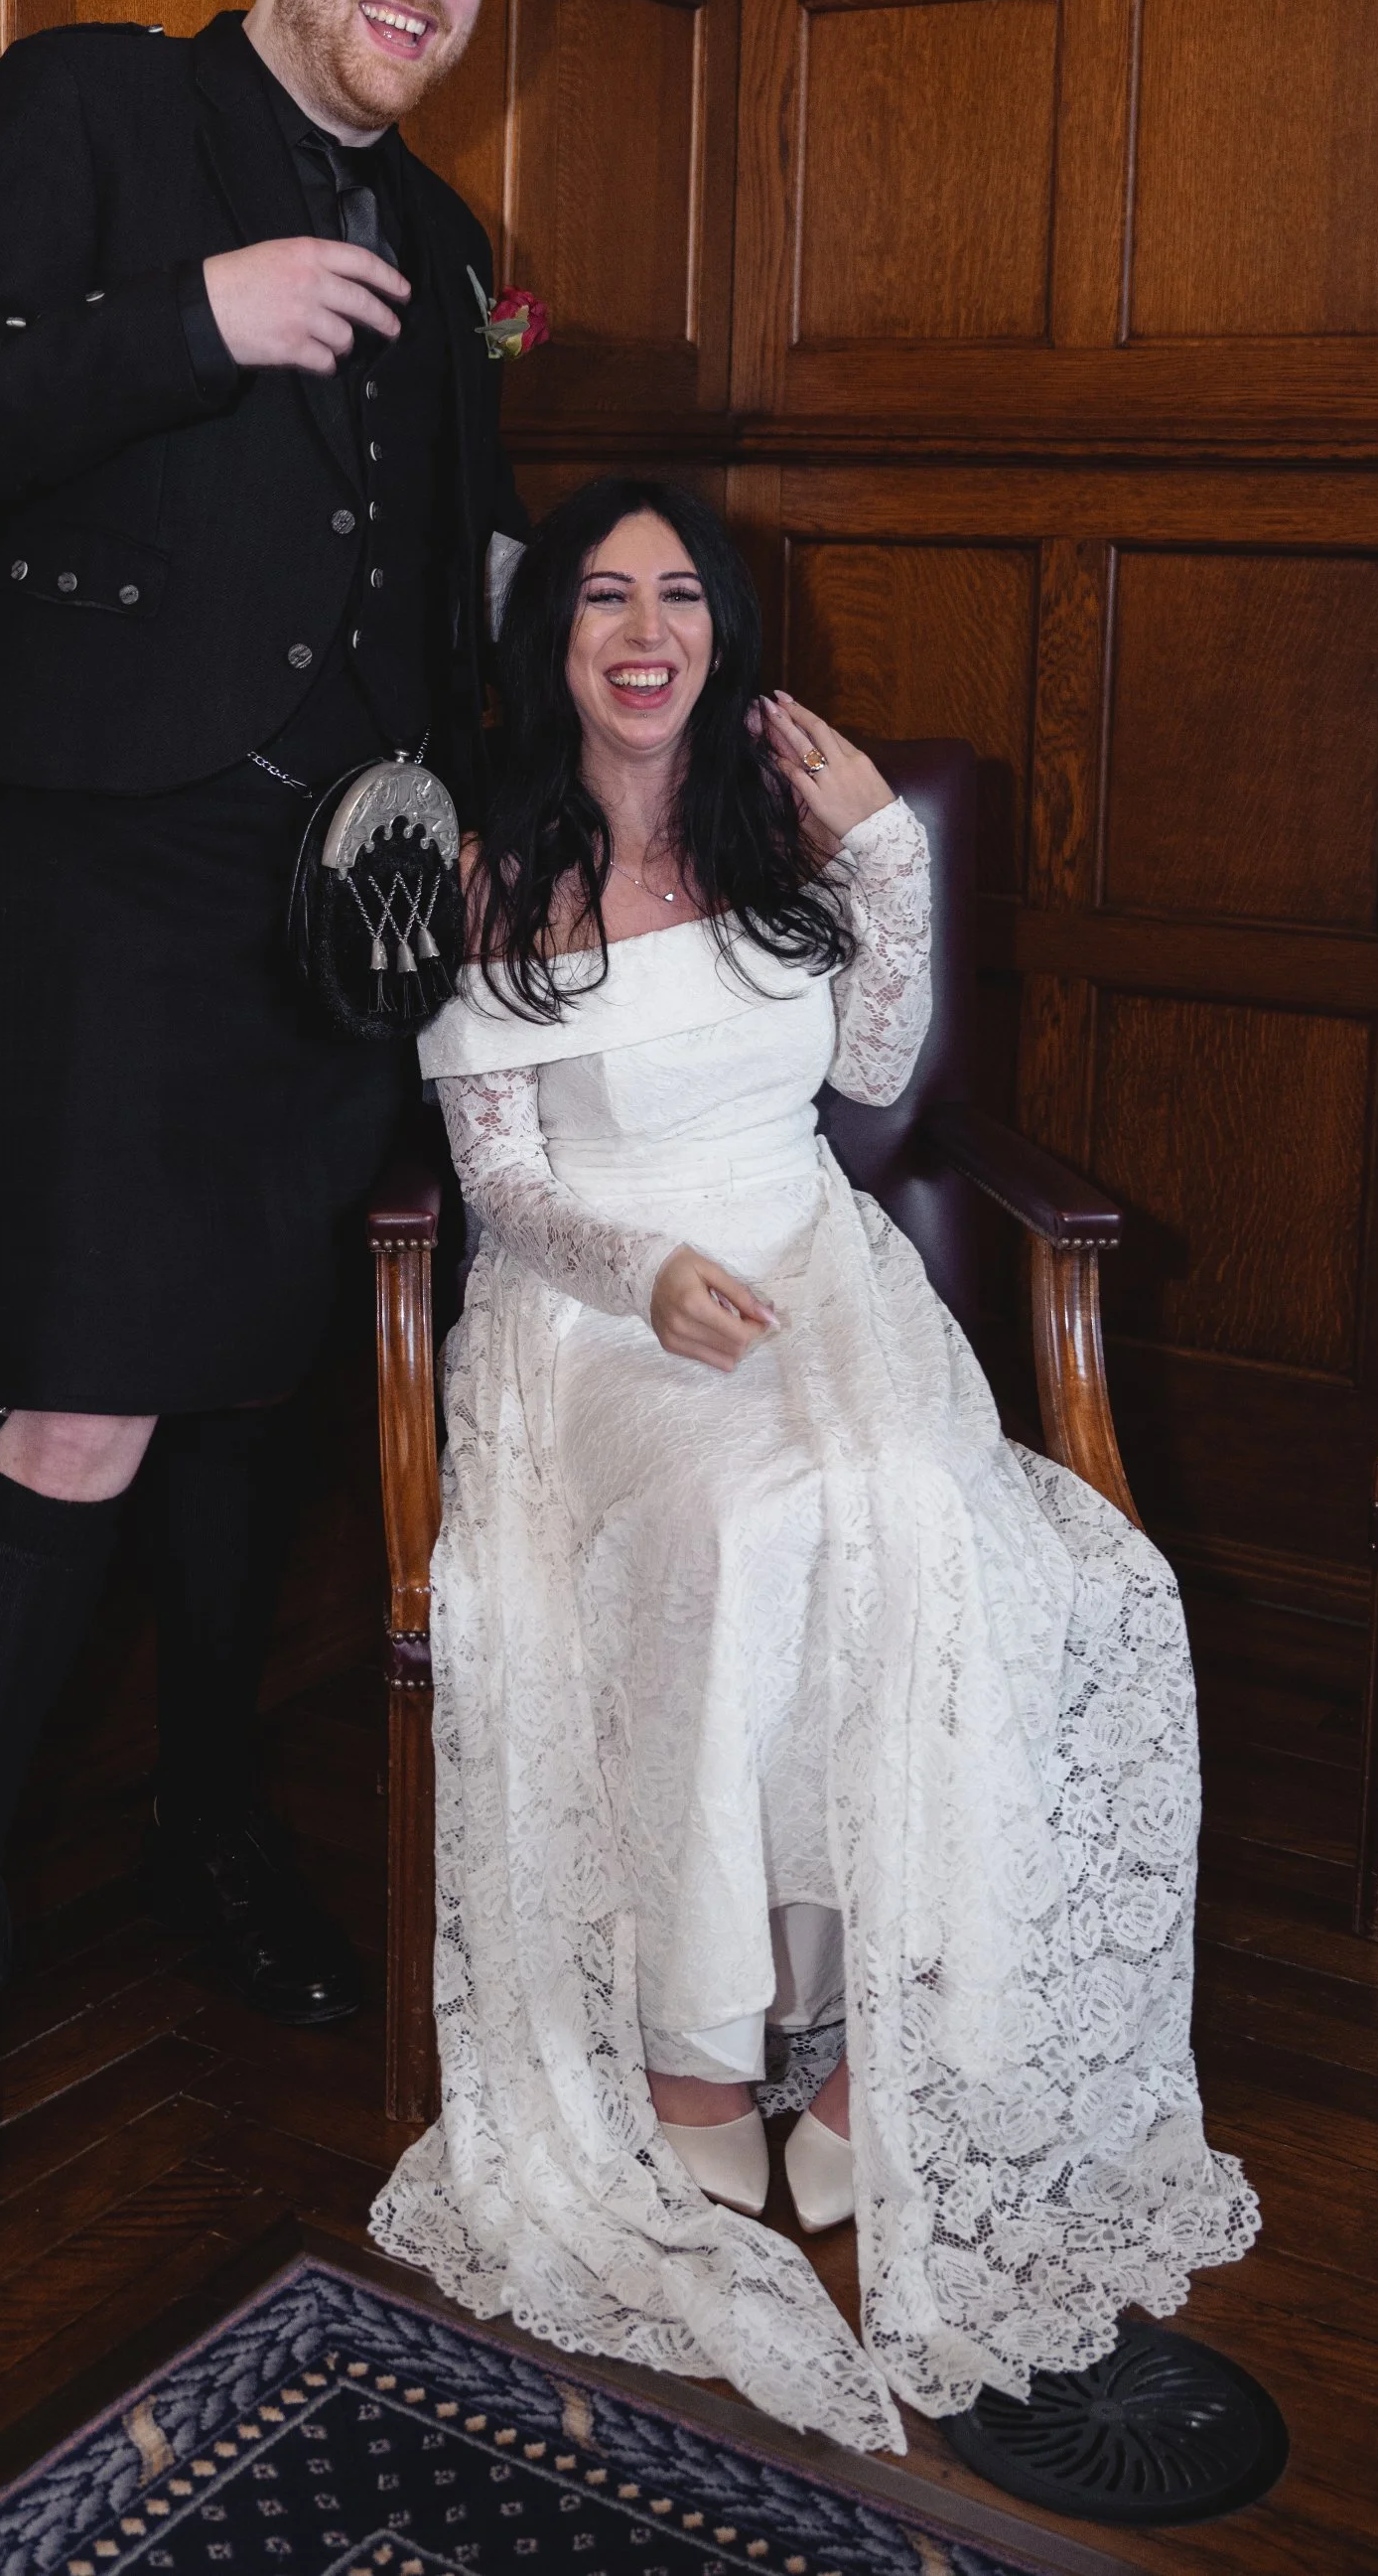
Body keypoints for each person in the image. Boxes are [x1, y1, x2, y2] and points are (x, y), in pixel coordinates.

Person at [370, 478, 1257, 2453]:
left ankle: (851, 2052)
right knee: (730, 1515)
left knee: (916, 1517)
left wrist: (882, 860)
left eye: (677, 592)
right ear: (556, 643)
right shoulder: (492, 867)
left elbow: (868, 1075)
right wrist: (638, 1266)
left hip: (810, 1268)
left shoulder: (784, 842)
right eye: (602, 592)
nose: (641, 623)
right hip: (599, 1303)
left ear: (719, 637)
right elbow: (499, 1184)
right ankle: (696, 2056)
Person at [0, 0, 527, 2219]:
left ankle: (208, 1841)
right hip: (109, 879)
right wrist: (190, 320)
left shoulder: (446, 235)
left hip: (331, 917)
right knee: (76, 1413)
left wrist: (458, 794)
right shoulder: (96, 107)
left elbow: (448, 581)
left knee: (253, 1407)